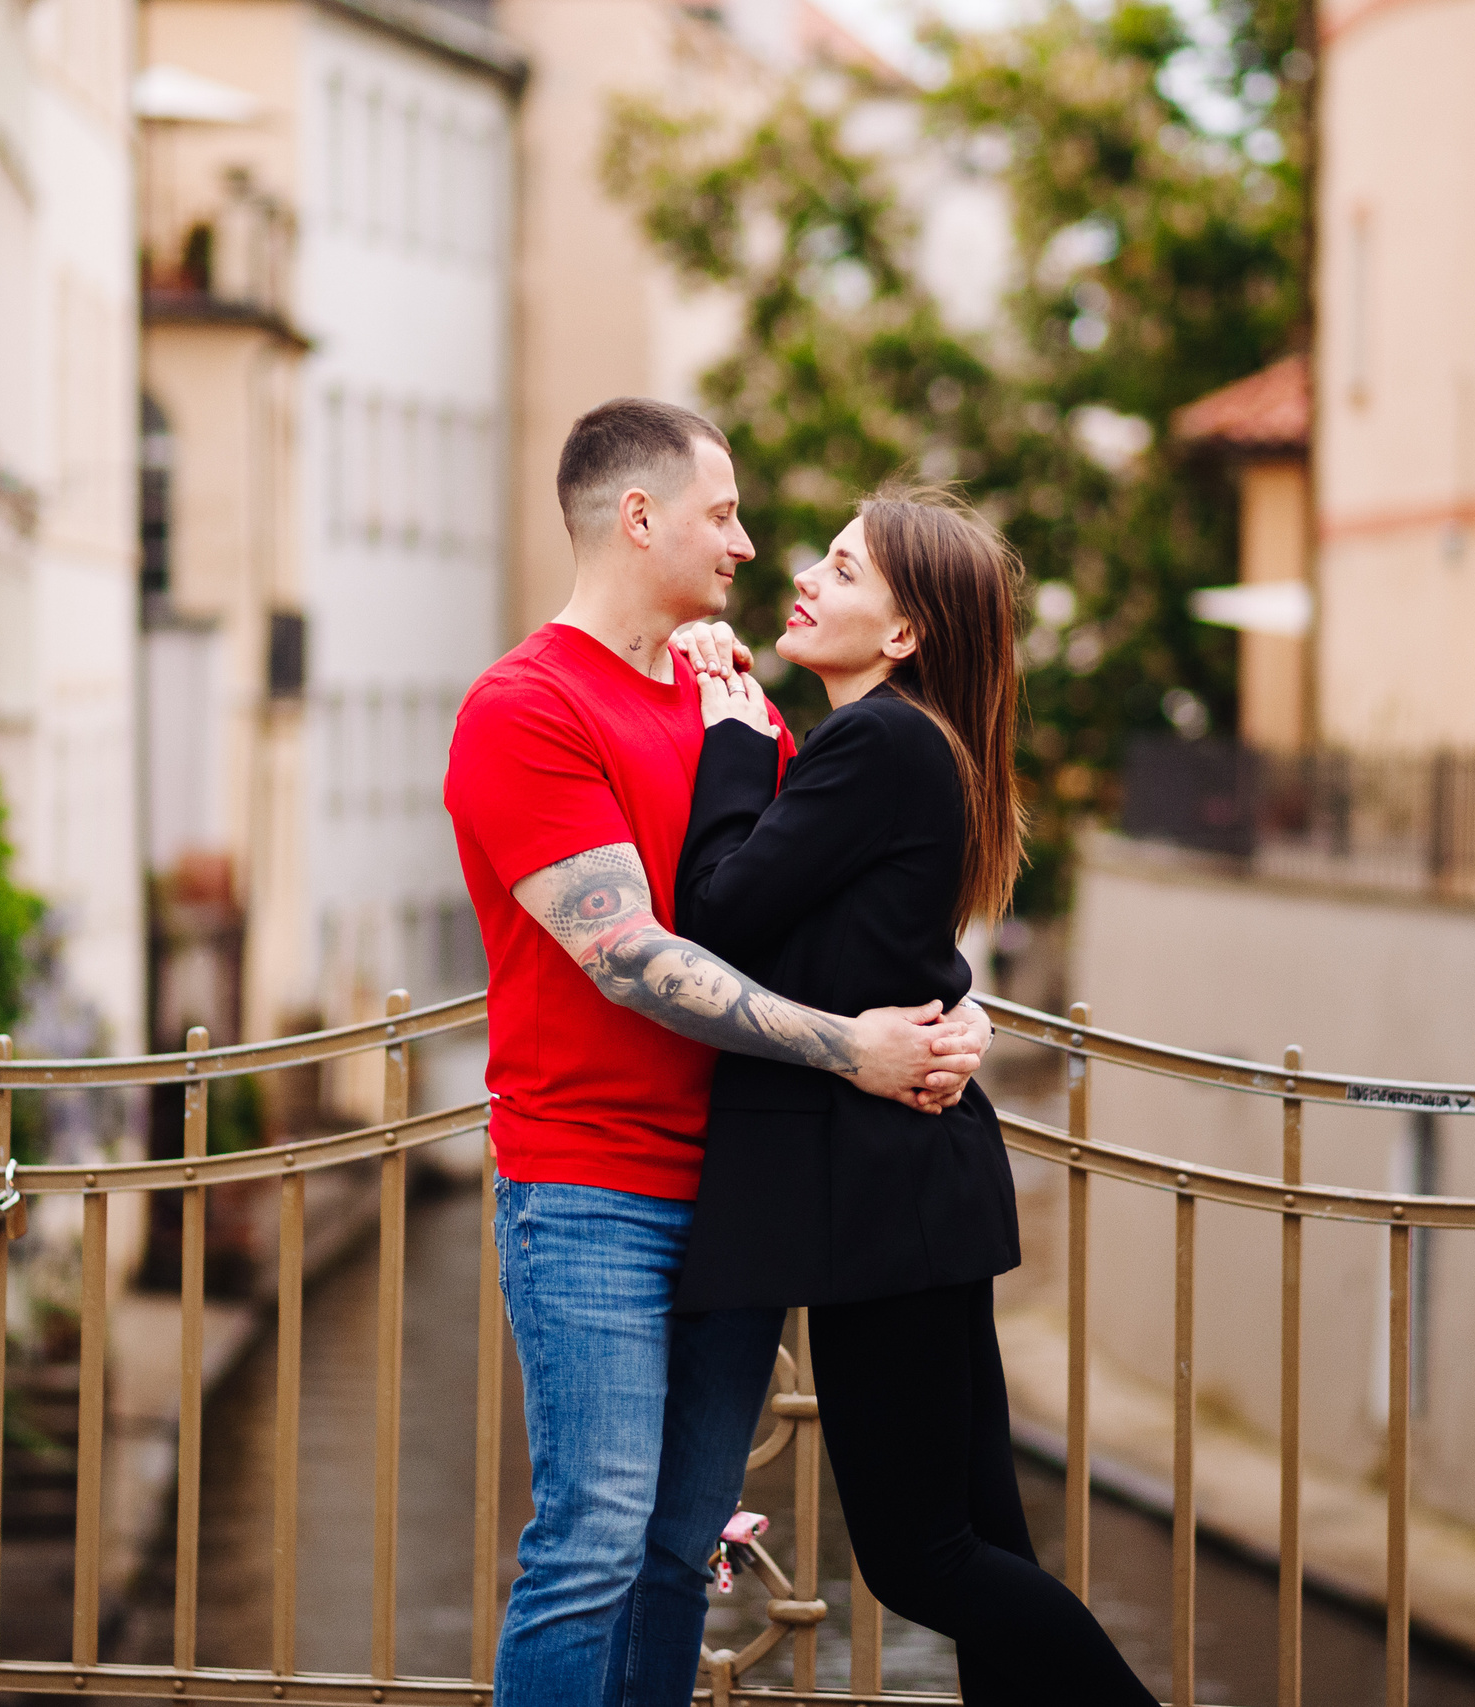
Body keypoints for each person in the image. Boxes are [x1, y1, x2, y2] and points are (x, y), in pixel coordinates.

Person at [442, 398, 996, 1707]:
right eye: (724, 512)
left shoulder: (728, 703)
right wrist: (846, 1051)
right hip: (592, 1186)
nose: (749, 544)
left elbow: (828, 919)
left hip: (741, 1194)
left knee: (677, 1553)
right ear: (641, 519)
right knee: (590, 1541)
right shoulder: (524, 706)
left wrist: (961, 1015)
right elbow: (631, 953)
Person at [670, 484, 1159, 1705]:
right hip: (915, 1184)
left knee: (922, 1557)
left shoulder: (877, 742)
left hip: (879, 1198)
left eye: (842, 570)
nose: (807, 578)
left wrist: (732, 741)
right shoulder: (909, 744)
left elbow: (719, 913)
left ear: (901, 635)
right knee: (983, 1536)